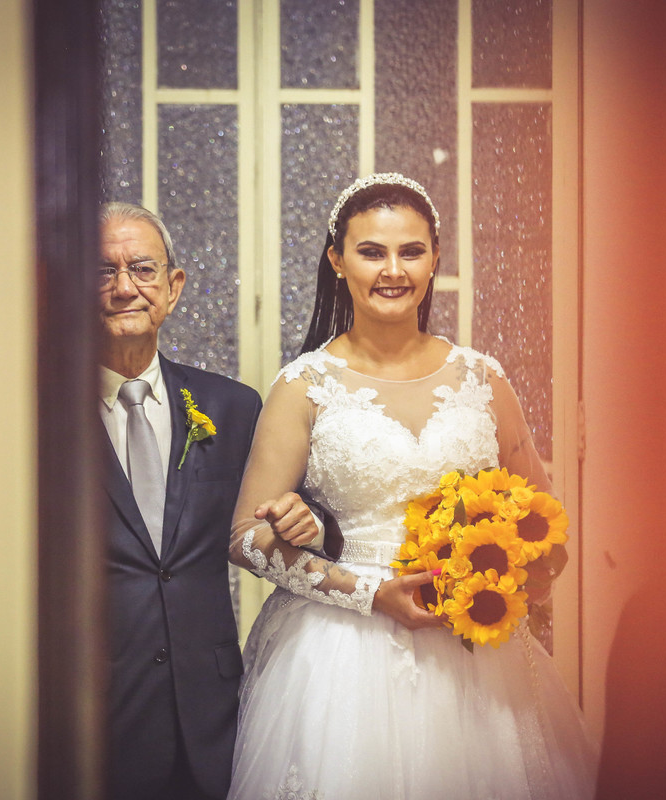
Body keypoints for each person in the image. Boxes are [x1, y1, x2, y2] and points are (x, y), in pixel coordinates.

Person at [227, 175, 597, 799]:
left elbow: (544, 522)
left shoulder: (484, 379)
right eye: (372, 252)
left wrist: (508, 578)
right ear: (337, 260)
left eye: (411, 251)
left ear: (434, 259)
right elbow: (244, 538)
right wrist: (369, 593)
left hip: (477, 655)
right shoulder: (303, 386)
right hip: (340, 655)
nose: (393, 270)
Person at [97, 202, 321, 800]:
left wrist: (308, 523)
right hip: (90, 719)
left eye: (142, 269)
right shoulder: (37, 415)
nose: (124, 287)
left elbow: (295, 517)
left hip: (210, 716)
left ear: (173, 288)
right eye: (103, 272)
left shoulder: (232, 407)